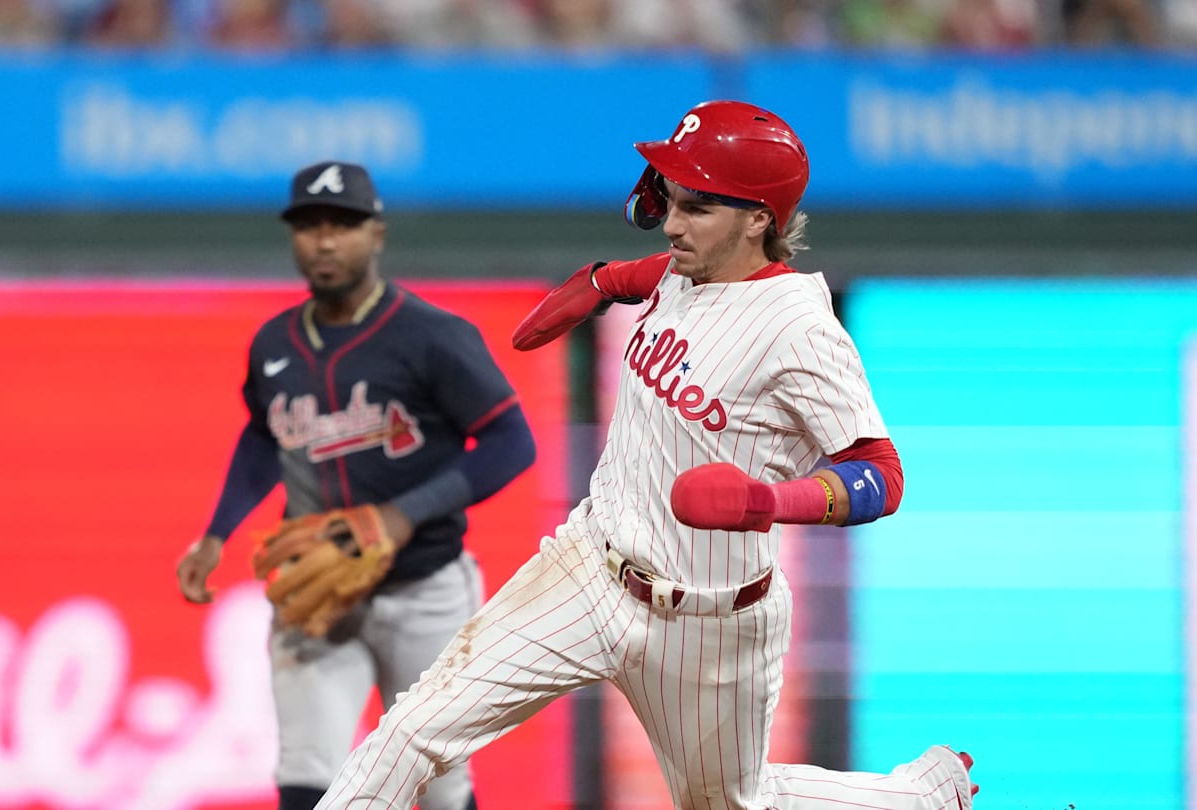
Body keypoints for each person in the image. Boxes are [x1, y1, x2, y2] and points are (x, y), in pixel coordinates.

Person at [312, 101, 980, 810]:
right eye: (671, 199)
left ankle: (918, 798)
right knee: (414, 729)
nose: (672, 222)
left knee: (730, 805)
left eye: (697, 207)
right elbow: (658, 270)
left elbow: (881, 473)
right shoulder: (689, 267)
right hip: (589, 570)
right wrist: (604, 279)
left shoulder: (800, 331)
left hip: (712, 621)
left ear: (759, 219)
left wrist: (771, 502)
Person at [175, 160, 537, 810]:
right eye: (309, 225)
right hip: (321, 596)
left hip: (427, 589)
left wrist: (403, 514)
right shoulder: (274, 343)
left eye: (342, 224)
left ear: (376, 233)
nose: (324, 240)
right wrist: (216, 532)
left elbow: (513, 442)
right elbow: (264, 434)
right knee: (306, 780)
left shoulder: (433, 336)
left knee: (441, 788)